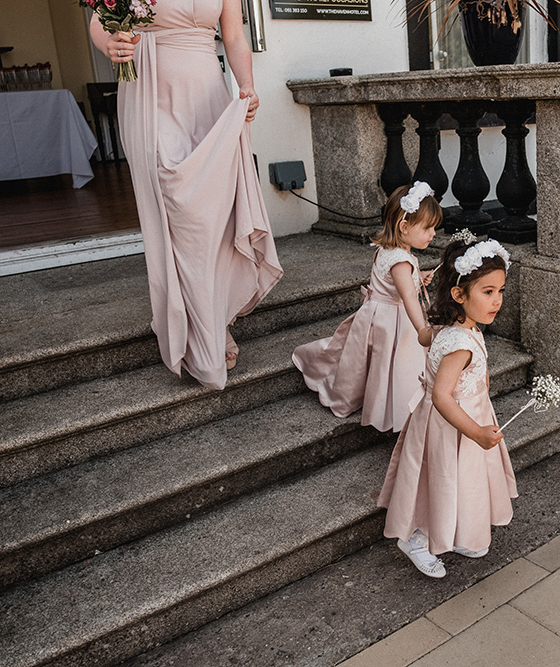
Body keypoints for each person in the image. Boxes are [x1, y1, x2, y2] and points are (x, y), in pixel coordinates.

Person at [89, 0, 283, 390]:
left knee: (214, 216)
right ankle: (200, 335)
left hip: (208, 96)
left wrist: (246, 85)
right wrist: (109, 43)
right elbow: (98, 20)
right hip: (150, 92)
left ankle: (217, 321)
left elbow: (233, 35)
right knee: (182, 215)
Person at [378, 237, 517, 578]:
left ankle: (451, 531)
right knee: (437, 478)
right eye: (487, 292)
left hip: (458, 416)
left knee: (457, 479)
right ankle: (416, 538)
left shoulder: (453, 327)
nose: (497, 300)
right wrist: (476, 432)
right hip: (450, 424)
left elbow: (426, 336)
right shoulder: (459, 343)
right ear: (459, 295)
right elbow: (442, 396)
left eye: (500, 290)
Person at [292, 182, 441, 433]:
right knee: (395, 363)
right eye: (428, 228)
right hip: (393, 320)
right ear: (404, 227)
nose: (433, 233)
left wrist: (419, 276)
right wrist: (422, 330)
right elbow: (408, 298)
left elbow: (396, 283)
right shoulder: (401, 261)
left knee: (366, 360)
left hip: (375, 315)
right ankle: (399, 410)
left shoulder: (387, 249)